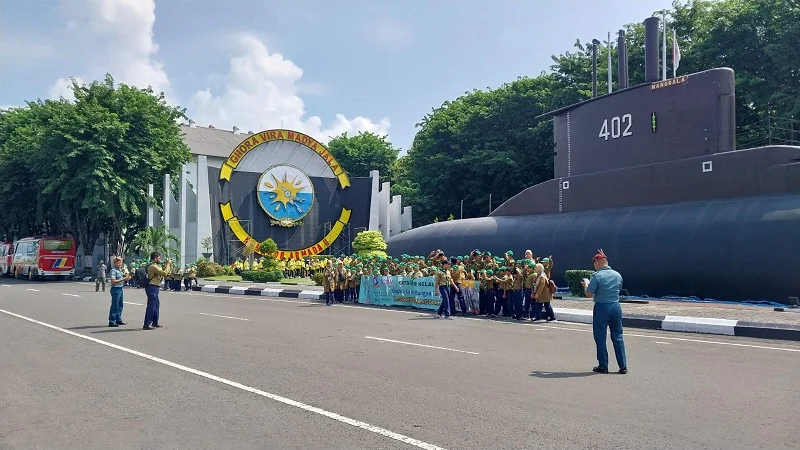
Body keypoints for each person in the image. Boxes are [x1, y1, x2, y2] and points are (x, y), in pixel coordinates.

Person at [581, 249, 627, 374]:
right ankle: (623, 366)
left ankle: (603, 365)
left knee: (600, 338)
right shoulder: (618, 275)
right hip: (615, 306)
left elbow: (589, 294)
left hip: (601, 307)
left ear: (597, 263)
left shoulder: (597, 276)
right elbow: (619, 288)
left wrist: (586, 285)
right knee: (618, 337)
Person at [143, 252, 173, 330]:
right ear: (155, 258)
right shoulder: (153, 266)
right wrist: (168, 264)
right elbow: (164, 273)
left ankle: (155, 322)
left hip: (155, 287)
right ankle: (147, 324)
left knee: (156, 305)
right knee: (151, 305)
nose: (160, 259)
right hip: (152, 287)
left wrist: (167, 266)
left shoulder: (156, 266)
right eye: (159, 258)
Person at [107, 257, 130, 327]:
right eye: (119, 262)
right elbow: (113, 281)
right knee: (115, 305)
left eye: (121, 262)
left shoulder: (120, 270)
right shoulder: (113, 271)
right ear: (115, 263)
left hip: (120, 288)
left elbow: (122, 277)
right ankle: (112, 321)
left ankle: (118, 319)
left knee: (120, 305)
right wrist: (123, 279)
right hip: (115, 289)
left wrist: (127, 277)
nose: (120, 264)